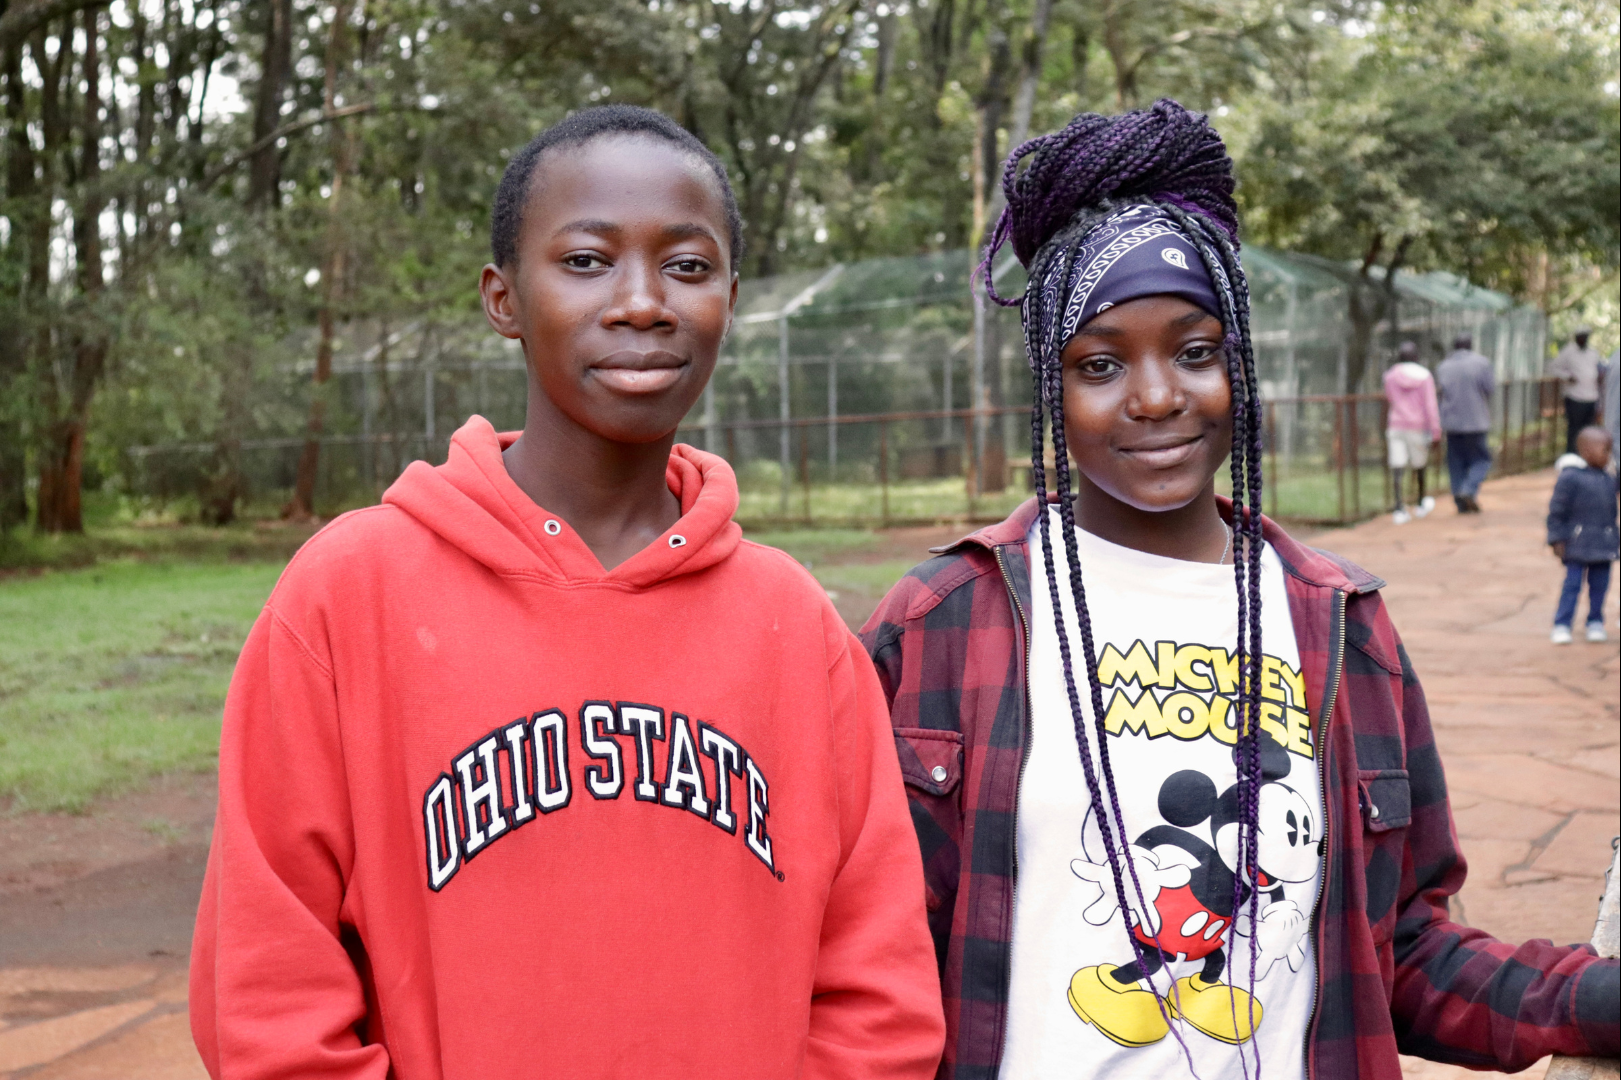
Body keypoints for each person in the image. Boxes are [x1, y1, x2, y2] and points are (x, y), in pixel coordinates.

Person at [861, 101, 1619, 1080]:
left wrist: (1591, 999)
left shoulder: (1341, 627)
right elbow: (865, 970)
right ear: (1051, 386)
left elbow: (1403, 951)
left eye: (1194, 350)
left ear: (1239, 363)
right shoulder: (939, 628)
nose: (1155, 397)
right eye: (1100, 364)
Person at [189, 105, 945, 1078]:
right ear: (504, 299)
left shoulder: (793, 627)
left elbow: (877, 999)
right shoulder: (351, 594)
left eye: (687, 265)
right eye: (586, 261)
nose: (642, 302)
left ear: (730, 295)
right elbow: (267, 995)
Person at [1547, 426, 1619, 645]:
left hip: (1603, 545)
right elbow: (1557, 510)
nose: (1609, 454)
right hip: (1576, 543)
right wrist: (1557, 538)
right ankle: (1562, 623)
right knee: (1572, 585)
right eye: (1605, 450)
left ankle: (1595, 620)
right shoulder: (1570, 478)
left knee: (1600, 586)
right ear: (1586, 451)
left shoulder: (1609, 479)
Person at [1381, 341, 1440, 524]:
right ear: (1416, 356)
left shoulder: (1390, 376)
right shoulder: (1424, 376)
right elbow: (1430, 404)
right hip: (1417, 426)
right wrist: (1436, 430)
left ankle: (1399, 508)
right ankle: (1421, 502)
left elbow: (1390, 398)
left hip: (1396, 424)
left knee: (1397, 465)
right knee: (1419, 464)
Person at [1436, 333, 1495, 513]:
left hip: (1452, 423)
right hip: (1476, 422)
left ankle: (1460, 500)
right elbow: (1490, 389)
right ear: (1470, 345)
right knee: (1482, 459)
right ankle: (1468, 490)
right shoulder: (1482, 363)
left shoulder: (1443, 366)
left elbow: (1439, 392)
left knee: (1456, 462)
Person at [1550, 327, 1604, 454]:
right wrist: (1567, 377)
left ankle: (1586, 455)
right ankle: (1572, 454)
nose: (1583, 339)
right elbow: (1554, 368)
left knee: (1589, 429)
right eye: (1581, 336)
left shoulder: (1592, 353)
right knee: (1574, 429)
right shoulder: (1568, 352)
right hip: (1575, 397)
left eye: (1585, 336)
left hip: (1591, 397)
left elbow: (1599, 370)